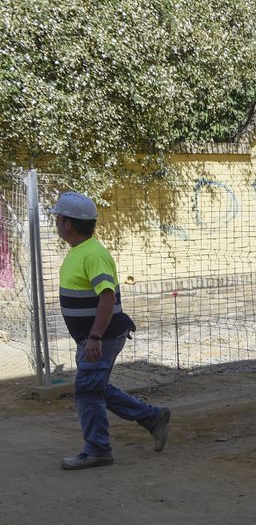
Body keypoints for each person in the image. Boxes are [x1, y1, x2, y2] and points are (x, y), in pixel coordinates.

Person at [51, 192, 170, 470]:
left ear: (68, 224)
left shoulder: (93, 254)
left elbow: (107, 298)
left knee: (88, 390)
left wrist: (94, 337)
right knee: (95, 387)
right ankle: (153, 417)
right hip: (95, 336)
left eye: (58, 217)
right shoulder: (80, 251)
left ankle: (97, 450)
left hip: (101, 336)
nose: (56, 222)